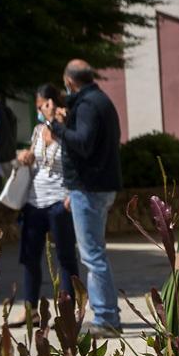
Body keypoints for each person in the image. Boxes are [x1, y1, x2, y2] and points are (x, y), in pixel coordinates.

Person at [47, 60, 124, 336]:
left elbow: (83, 143)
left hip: (90, 188)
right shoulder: (99, 100)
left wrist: (55, 126)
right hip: (94, 187)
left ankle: (106, 318)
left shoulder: (89, 105)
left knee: (93, 256)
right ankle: (108, 314)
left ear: (70, 81)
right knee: (96, 253)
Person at [10, 85, 79, 325]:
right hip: (34, 201)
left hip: (59, 202)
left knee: (65, 258)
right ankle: (30, 309)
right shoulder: (39, 130)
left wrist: (71, 195)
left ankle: (68, 312)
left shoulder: (68, 129)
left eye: (42, 106)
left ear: (53, 104)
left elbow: (77, 162)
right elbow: (35, 160)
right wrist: (25, 157)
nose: (39, 111)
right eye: (38, 107)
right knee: (30, 257)